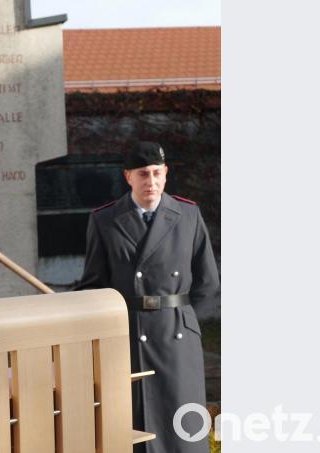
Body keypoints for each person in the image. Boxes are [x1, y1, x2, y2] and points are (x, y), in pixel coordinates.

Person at [76, 141, 220, 453]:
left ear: (166, 174)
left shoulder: (187, 215)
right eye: (143, 174)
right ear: (128, 176)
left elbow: (208, 283)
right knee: (137, 426)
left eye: (157, 173)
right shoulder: (105, 220)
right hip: (129, 338)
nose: (151, 182)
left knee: (183, 427)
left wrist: (185, 322)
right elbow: (93, 286)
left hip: (177, 338)